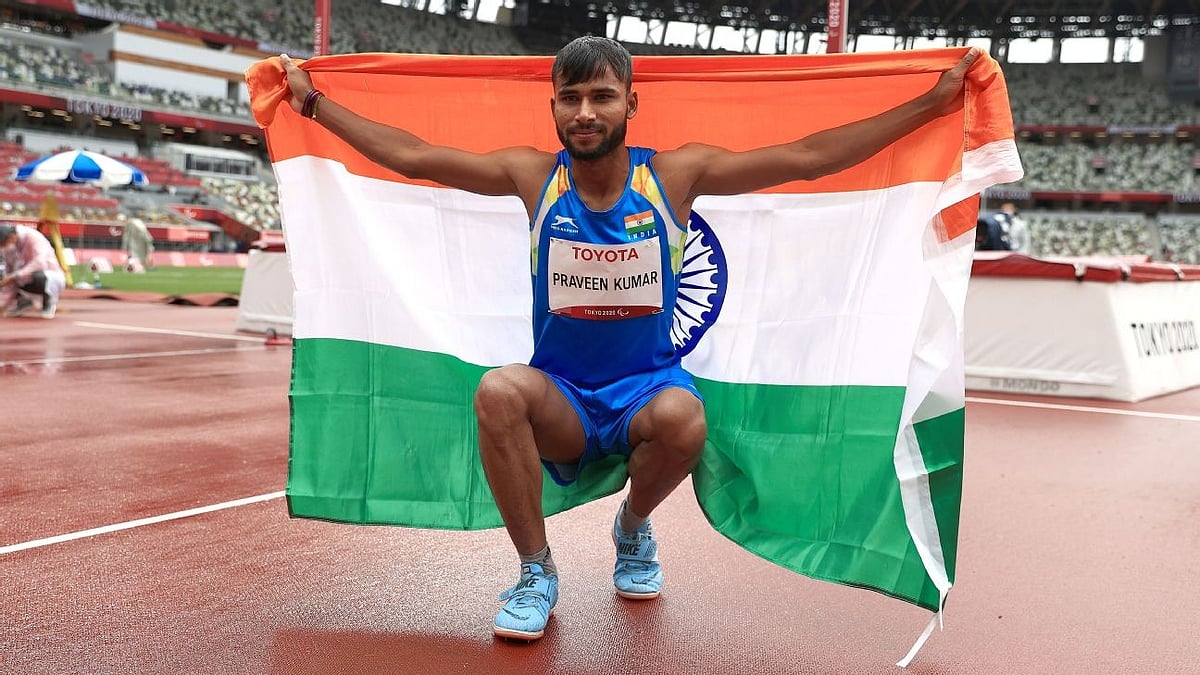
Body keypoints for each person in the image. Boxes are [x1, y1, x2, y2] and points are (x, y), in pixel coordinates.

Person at [279, 37, 979, 642]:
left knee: (686, 418)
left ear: (630, 105)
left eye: (603, 96)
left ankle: (634, 525)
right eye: (571, 97)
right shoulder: (534, 177)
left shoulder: (672, 177)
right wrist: (314, 106)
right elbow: (412, 155)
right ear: (553, 107)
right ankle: (535, 573)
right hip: (564, 398)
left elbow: (806, 156)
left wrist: (930, 106)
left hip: (646, 390)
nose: (585, 112)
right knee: (497, 391)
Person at [1, 223, 67, 319]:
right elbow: (9, 275)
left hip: (48, 275)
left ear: (11, 236)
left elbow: (39, 263)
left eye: (2, 244)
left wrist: (15, 276)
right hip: (24, 278)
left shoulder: (33, 237)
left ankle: (48, 302)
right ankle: (24, 301)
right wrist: (5, 304)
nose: (2, 248)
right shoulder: (7, 249)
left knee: (37, 277)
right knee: (5, 278)